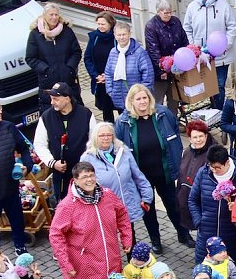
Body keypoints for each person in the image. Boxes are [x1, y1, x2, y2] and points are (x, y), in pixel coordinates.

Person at [49, 162, 131, 279]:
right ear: (75, 180)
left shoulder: (107, 195)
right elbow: (56, 235)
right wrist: (66, 264)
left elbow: (122, 214)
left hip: (111, 259)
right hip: (85, 265)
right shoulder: (67, 206)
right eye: (84, 177)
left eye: (91, 175)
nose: (89, 180)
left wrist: (126, 237)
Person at [115, 83, 194, 253]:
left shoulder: (163, 114)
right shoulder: (123, 122)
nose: (142, 102)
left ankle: (183, 234)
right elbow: (119, 147)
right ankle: (155, 239)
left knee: (173, 204)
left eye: (145, 98)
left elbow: (174, 134)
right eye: (138, 99)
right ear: (131, 101)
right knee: (148, 208)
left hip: (164, 171)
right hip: (141, 176)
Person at [80, 121, 153, 243]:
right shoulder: (87, 158)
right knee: (109, 241)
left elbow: (138, 175)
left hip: (126, 205)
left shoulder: (123, 151)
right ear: (95, 137)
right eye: (102, 135)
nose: (106, 138)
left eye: (109, 135)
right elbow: (83, 186)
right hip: (105, 209)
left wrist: (147, 197)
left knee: (130, 237)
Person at [33, 82, 96, 201]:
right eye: (51, 99)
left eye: (56, 99)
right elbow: (39, 144)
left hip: (84, 172)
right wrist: (52, 163)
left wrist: (86, 160)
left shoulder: (86, 114)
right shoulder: (46, 117)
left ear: (67, 99)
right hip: (60, 174)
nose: (52, 102)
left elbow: (94, 142)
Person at [183, 0, 236, 111]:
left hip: (221, 56)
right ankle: (210, 111)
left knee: (219, 85)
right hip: (201, 55)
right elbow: (187, 28)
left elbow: (232, 27)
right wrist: (193, 46)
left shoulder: (224, 6)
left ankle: (218, 111)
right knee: (204, 85)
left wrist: (225, 46)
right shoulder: (192, 7)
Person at [188, 144, 236, 264]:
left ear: (227, 162)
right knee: (203, 269)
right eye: (211, 166)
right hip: (206, 231)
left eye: (217, 167)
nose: (214, 170)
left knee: (229, 270)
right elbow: (192, 199)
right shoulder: (203, 173)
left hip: (230, 233)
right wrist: (199, 221)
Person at [0, 97, 33, 256]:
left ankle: (20, 247)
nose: (0, 111)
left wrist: (27, 166)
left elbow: (24, 149)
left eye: (0, 107)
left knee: (17, 220)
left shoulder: (8, 128)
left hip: (10, 187)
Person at [25, 2, 82, 111]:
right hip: (48, 82)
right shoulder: (35, 34)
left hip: (68, 80)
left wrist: (69, 68)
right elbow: (30, 58)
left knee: (75, 110)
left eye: (56, 14)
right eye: (51, 14)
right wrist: (46, 70)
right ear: (44, 16)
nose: (54, 17)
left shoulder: (67, 31)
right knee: (51, 114)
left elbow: (76, 52)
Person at [144, 0, 188, 114]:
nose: (168, 15)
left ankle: (173, 120)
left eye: (170, 12)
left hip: (176, 69)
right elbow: (153, 51)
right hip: (160, 72)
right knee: (158, 100)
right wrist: (161, 70)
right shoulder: (151, 26)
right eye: (165, 13)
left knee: (174, 99)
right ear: (158, 12)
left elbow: (184, 40)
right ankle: (159, 121)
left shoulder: (176, 21)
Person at [176, 120, 216, 236]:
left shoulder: (213, 154)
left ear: (206, 136)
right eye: (195, 137)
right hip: (187, 197)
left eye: (201, 136)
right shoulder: (188, 152)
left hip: (205, 201)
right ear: (189, 139)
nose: (198, 140)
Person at [104, 21, 154, 112]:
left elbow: (148, 76)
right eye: (119, 35)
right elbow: (108, 73)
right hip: (118, 97)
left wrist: (141, 95)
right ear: (114, 35)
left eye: (124, 34)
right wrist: (110, 91)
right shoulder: (113, 52)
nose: (121, 37)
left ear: (129, 34)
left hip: (137, 100)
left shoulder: (140, 53)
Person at [83, 11, 118, 121]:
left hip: (115, 79)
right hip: (100, 80)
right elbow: (88, 58)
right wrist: (95, 76)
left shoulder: (117, 37)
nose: (100, 26)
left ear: (110, 23)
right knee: (106, 110)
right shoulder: (94, 38)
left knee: (121, 107)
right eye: (98, 24)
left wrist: (109, 76)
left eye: (103, 24)